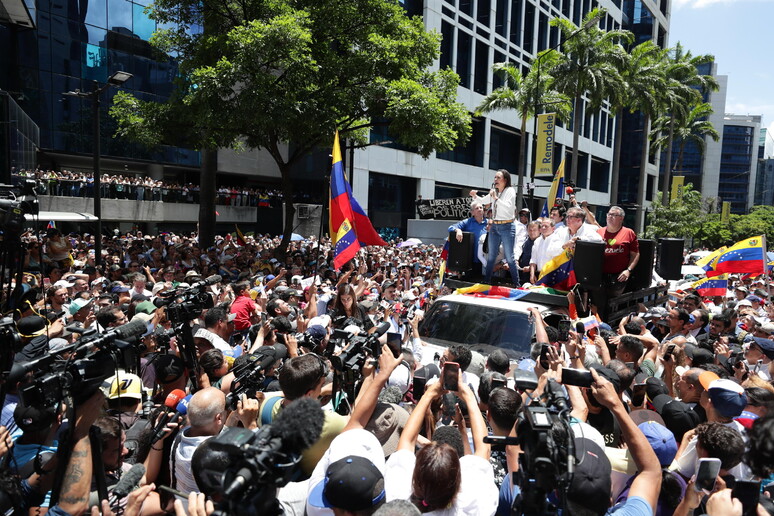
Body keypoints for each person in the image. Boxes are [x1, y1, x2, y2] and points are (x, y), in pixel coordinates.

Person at [470, 169, 520, 286]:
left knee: (509, 257)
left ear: (505, 180)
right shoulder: (495, 192)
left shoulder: (510, 191)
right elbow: (483, 201)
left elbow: (508, 207)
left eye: (498, 178)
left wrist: (496, 198)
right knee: (491, 255)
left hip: (507, 225)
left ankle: (517, 284)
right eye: (495, 178)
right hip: (495, 225)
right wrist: (474, 196)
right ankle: (486, 281)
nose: (495, 180)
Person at [593, 206, 640, 319]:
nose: (610, 217)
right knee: (599, 305)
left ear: (621, 218)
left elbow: (635, 254)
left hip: (619, 276)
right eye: (609, 214)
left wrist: (628, 270)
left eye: (614, 215)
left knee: (614, 305)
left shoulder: (629, 233)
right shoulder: (598, 232)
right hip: (600, 276)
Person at [447, 201, 488, 279]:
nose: (479, 209)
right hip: (470, 262)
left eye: (481, 207)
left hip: (485, 261)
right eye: (477, 208)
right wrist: (458, 230)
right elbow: (451, 227)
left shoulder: (489, 223)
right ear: (472, 212)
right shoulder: (467, 222)